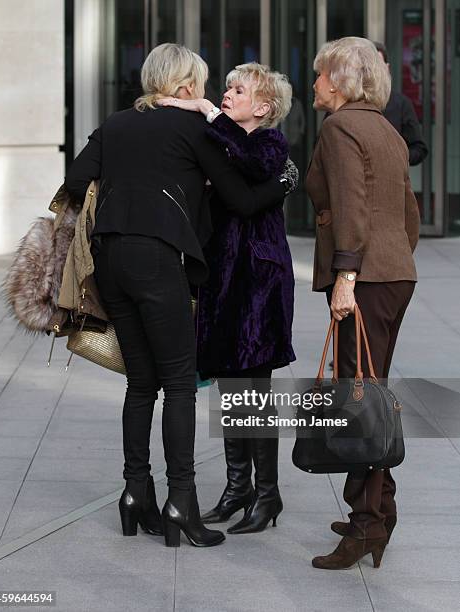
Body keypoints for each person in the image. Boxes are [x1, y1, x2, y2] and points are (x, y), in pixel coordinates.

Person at [64, 43, 292, 548]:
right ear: (188, 86)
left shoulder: (118, 123)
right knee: (180, 387)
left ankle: (134, 493)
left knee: (140, 384)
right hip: (157, 261)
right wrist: (284, 181)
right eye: (207, 84)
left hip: (109, 263)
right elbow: (239, 197)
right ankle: (180, 503)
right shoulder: (193, 128)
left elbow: (75, 182)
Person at [157, 62, 297, 534]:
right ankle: (239, 488)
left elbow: (256, 167)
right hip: (222, 279)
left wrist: (208, 113)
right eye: (229, 87)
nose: (228, 94)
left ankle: (268, 493)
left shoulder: (269, 143)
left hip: (259, 280)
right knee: (229, 388)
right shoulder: (222, 138)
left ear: (264, 107)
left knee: (254, 389)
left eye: (240, 90)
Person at [305, 37, 420, 569]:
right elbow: (409, 213)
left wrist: (347, 274)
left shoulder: (341, 127)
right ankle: (380, 511)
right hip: (393, 275)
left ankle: (365, 526)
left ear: (341, 81)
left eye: (320, 74)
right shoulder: (386, 128)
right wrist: (389, 259)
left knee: (356, 403)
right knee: (368, 396)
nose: (314, 84)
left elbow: (350, 204)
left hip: (366, 277)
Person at [374, 41, 428, 166]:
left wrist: (398, 157)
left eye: (378, 64)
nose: (374, 71)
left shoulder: (401, 103)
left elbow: (419, 148)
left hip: (391, 180)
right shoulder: (347, 101)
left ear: (387, 68)